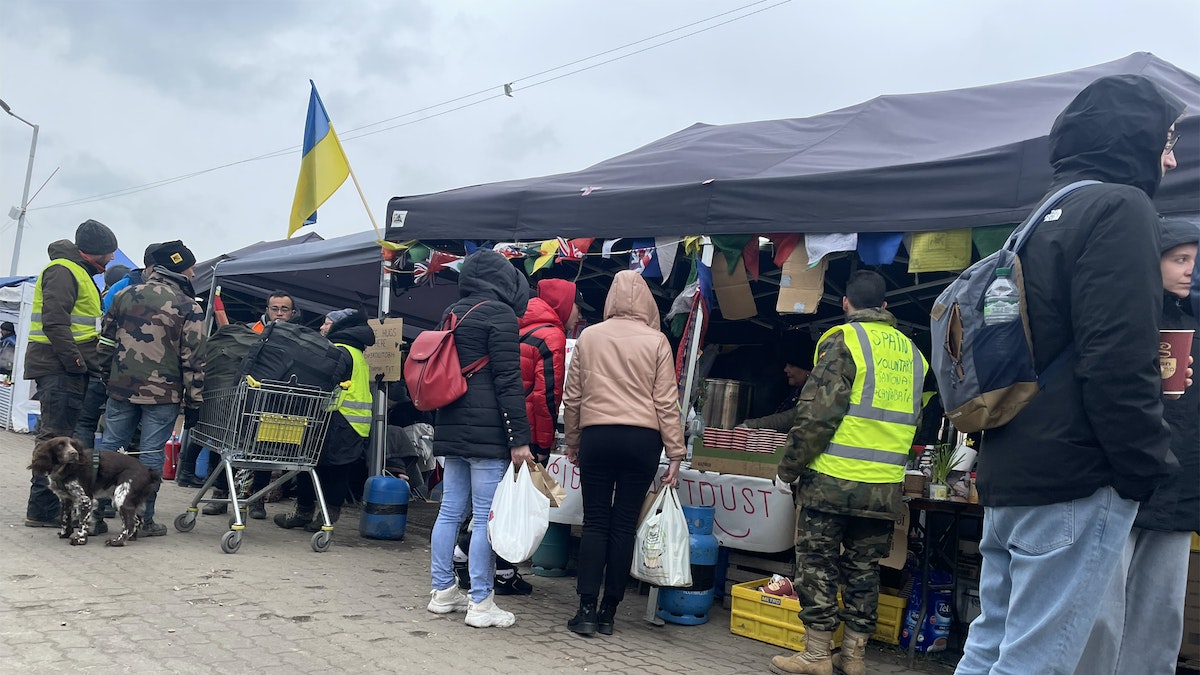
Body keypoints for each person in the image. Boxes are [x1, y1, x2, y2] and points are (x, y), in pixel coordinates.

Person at [954, 75, 1184, 675]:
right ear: (1133, 136)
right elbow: (1119, 359)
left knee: (990, 646)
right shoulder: (1121, 207)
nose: (1171, 158)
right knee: (1038, 662)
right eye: (1166, 141)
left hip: (1011, 466)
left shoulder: (1041, 215)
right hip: (1075, 475)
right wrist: (1145, 466)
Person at [768, 270, 927, 675]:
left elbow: (817, 415)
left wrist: (789, 468)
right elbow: (916, 420)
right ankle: (853, 656)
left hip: (832, 481)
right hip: (884, 487)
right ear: (885, 306)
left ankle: (816, 655)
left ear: (845, 303)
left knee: (817, 565)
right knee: (864, 569)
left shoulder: (844, 341)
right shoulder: (913, 354)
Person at [1074, 219, 1199, 675]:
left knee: (1160, 617)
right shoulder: (1121, 316)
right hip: (1121, 481)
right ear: (1152, 260)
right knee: (1100, 615)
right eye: (1179, 259)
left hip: (1179, 488)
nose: (1189, 270)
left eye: (1194, 260)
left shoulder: (1193, 323)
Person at [562, 270, 686, 636]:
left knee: (595, 522)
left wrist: (573, 441)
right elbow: (667, 402)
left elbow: (573, 397)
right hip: (642, 442)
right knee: (624, 524)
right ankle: (609, 612)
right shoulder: (658, 341)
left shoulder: (589, 337)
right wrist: (675, 453)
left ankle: (585, 609)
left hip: (597, 436)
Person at [426, 249, 534, 629]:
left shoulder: (452, 312)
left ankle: (442, 591)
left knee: (450, 510)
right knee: (487, 517)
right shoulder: (501, 314)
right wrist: (519, 438)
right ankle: (481, 602)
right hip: (488, 433)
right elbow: (508, 381)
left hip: (451, 422)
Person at [97, 240, 206, 537]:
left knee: (109, 447)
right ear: (179, 270)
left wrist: (108, 377)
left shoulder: (124, 295)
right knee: (151, 453)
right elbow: (194, 359)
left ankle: (95, 515)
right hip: (163, 395)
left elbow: (105, 343)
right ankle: (142, 520)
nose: (194, 274)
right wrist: (194, 402)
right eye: (191, 268)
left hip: (120, 388)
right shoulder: (188, 307)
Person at [23, 219, 118, 528]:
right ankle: (44, 510)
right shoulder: (64, 271)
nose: (112, 258)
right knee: (55, 439)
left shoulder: (76, 271)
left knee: (58, 436)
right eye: (109, 252)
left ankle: (49, 508)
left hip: (63, 367)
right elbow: (54, 322)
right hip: (60, 367)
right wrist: (76, 362)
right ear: (93, 251)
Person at [200, 290, 299, 517]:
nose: (279, 313)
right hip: (240, 398)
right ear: (267, 310)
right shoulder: (250, 330)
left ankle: (257, 500)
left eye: (284, 309)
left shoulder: (297, 337)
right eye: (275, 308)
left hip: (272, 401)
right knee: (223, 443)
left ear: (292, 313)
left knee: (265, 450)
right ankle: (220, 495)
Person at [274, 308, 373, 531]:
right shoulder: (354, 351)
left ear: (339, 326)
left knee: (321, 467)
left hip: (339, 417)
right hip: (350, 421)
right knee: (327, 468)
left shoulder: (340, 350)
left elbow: (324, 381)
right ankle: (315, 514)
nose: (322, 327)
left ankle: (318, 516)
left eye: (327, 323)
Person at [740, 344, 814, 431]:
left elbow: (793, 417)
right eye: (786, 365)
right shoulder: (792, 393)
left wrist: (751, 425)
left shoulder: (816, 395)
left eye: (791, 366)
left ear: (808, 371)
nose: (785, 369)